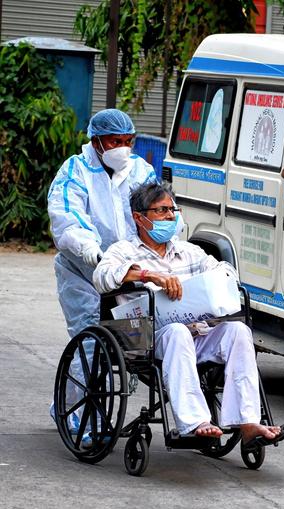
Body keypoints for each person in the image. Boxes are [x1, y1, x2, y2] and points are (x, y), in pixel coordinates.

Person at [93, 183, 284, 446]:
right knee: (176, 331)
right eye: (162, 210)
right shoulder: (122, 251)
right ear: (139, 218)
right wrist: (149, 275)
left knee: (238, 331)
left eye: (173, 209)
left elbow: (224, 270)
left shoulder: (188, 252)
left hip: (197, 333)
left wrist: (216, 281)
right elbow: (102, 277)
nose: (171, 216)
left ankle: (249, 422)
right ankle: (195, 423)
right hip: (146, 338)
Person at [47, 109, 158, 433]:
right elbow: (67, 216)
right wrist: (91, 250)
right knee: (90, 341)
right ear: (96, 141)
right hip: (82, 271)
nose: (122, 148)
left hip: (129, 274)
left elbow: (154, 213)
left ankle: (71, 404)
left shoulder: (141, 170)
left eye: (128, 141)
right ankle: (77, 416)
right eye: (114, 141)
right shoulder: (75, 171)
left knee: (134, 347)